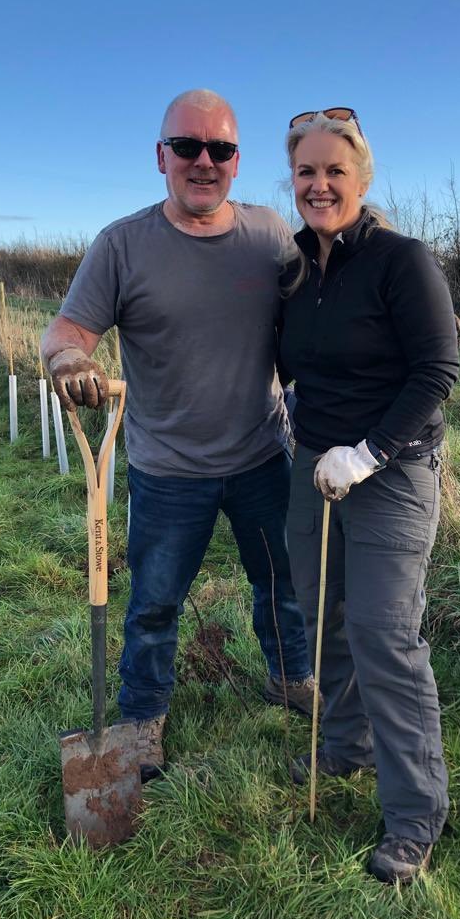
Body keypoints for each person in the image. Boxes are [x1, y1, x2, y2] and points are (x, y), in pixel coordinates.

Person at [41, 89, 318, 782]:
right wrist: (70, 359)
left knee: (282, 580)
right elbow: (67, 330)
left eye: (219, 149)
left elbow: (327, 301)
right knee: (155, 602)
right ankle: (141, 719)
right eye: (187, 147)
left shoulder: (270, 236)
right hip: (168, 469)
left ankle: (291, 677)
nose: (203, 161)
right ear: (160, 155)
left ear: (236, 160)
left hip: (262, 453)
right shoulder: (122, 245)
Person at [279, 109, 460, 884]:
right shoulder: (295, 270)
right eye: (306, 173)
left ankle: (414, 813)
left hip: (392, 472)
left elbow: (437, 369)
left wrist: (372, 451)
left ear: (362, 178)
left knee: (386, 633)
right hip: (312, 468)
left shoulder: (400, 259)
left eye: (333, 172)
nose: (319, 186)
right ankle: (344, 747)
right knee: (326, 622)